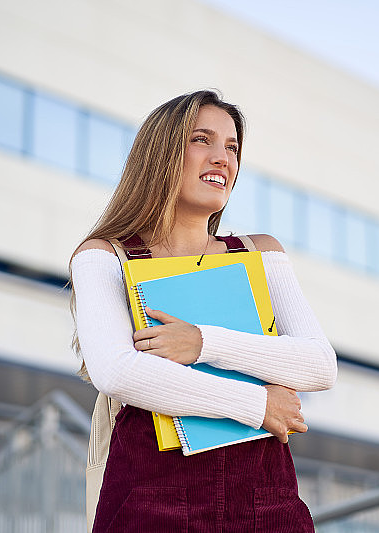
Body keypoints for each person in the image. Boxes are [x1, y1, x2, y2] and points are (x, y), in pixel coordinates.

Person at [69, 90, 337, 532]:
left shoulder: (261, 253)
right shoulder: (104, 257)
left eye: (232, 147)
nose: (222, 158)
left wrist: (201, 342)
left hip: (266, 503)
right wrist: (258, 404)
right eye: (202, 140)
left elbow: (319, 365)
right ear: (161, 154)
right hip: (151, 503)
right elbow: (118, 371)